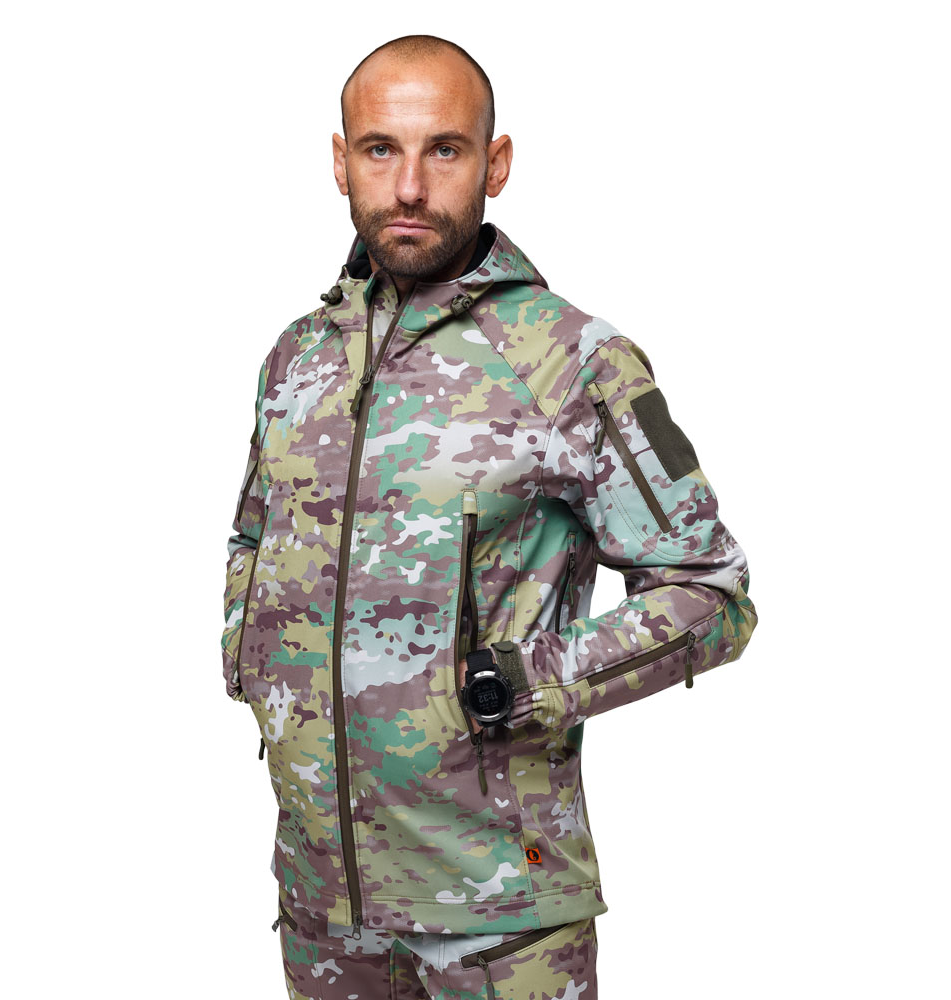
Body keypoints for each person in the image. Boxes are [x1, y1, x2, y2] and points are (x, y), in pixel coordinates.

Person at [220, 33, 758, 1000]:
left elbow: (711, 593)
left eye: (445, 149)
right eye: (380, 149)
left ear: (495, 164)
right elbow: (254, 536)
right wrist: (247, 653)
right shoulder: (296, 359)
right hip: (320, 904)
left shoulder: (572, 359)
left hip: (501, 918)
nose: (410, 186)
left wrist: (526, 680)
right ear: (340, 162)